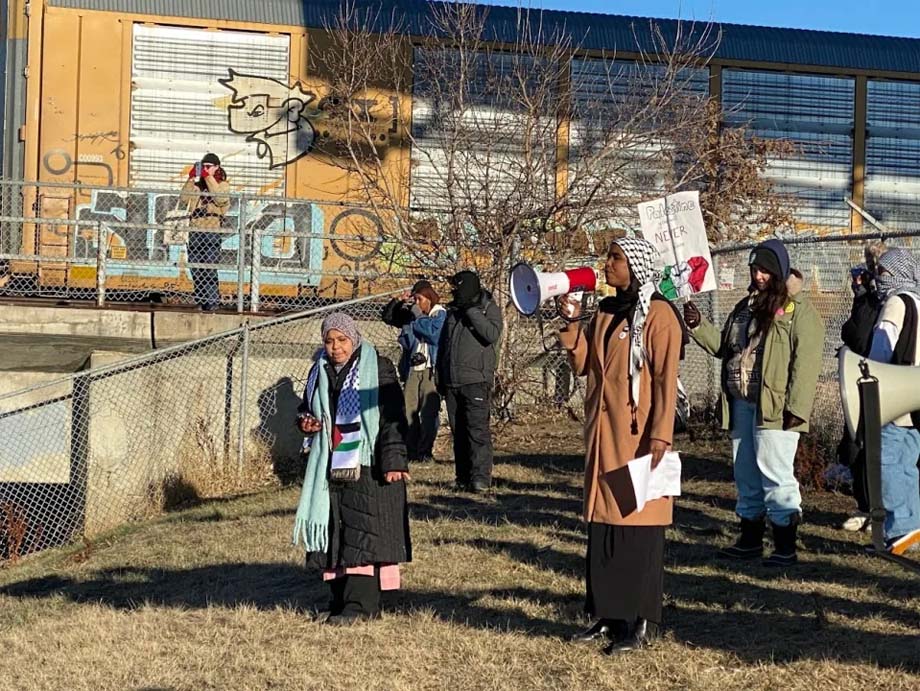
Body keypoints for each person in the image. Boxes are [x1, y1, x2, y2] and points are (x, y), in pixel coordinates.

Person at [559, 238, 682, 654]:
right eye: (609, 257)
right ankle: (608, 615)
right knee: (605, 526)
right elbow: (583, 365)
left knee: (638, 527)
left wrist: (660, 434)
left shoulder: (658, 315)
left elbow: (665, 378)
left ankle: (640, 622)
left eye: (616, 258)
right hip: (603, 434)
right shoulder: (605, 313)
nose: (607, 265)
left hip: (638, 436)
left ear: (637, 266)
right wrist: (573, 324)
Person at [684, 239, 825, 567]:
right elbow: (724, 347)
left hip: (777, 409)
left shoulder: (799, 313)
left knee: (775, 472)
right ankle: (749, 540)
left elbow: (806, 365)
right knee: (746, 472)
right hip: (742, 405)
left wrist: (797, 408)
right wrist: (697, 325)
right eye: (754, 269)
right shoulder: (744, 307)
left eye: (765, 270)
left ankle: (785, 545)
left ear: (778, 271)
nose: (758, 275)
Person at [292, 312, 411, 624]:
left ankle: (361, 606)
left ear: (354, 339)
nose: (335, 347)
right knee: (338, 534)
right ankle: (340, 601)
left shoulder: (378, 367)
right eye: (329, 341)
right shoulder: (319, 371)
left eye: (341, 340)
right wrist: (306, 422)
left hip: (368, 465)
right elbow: (306, 408)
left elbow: (392, 416)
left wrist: (394, 461)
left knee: (362, 534)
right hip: (329, 466)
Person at [866, 247, 920, 555]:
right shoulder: (919, 301)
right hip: (916, 401)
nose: (878, 278)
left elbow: (881, 349)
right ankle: (912, 527)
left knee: (885, 460)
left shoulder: (896, 304)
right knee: (908, 462)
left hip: (894, 397)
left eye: (884, 272)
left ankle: (900, 529)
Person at [436, 270, 503, 492]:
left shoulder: (487, 307)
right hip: (452, 381)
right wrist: (440, 375)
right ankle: (463, 476)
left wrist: (471, 310)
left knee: (477, 430)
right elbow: (444, 345)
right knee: (460, 432)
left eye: (458, 287)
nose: (454, 291)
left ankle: (481, 478)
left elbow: (491, 334)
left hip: (476, 380)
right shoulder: (452, 312)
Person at [837, 243, 884, 531]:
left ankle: (880, 508)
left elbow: (862, 335)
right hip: (858, 379)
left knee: (879, 449)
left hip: (883, 381)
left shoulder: (892, 301)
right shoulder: (865, 301)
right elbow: (851, 332)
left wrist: (866, 297)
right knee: (856, 446)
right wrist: (860, 297)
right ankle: (864, 505)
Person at [381, 280, 447, 463]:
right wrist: (398, 302)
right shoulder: (413, 315)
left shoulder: (440, 315)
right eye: (415, 299)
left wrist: (417, 316)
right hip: (412, 369)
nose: (417, 304)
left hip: (430, 371)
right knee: (409, 410)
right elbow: (388, 318)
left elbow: (434, 335)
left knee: (428, 413)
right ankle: (412, 449)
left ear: (429, 298)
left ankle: (425, 451)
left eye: (420, 299)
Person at [179, 153, 230, 311]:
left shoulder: (223, 184)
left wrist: (208, 177)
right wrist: (191, 179)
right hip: (195, 230)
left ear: (217, 167)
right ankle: (201, 300)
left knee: (209, 267)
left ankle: (212, 302)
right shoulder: (197, 185)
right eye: (204, 166)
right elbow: (184, 199)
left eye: (209, 166)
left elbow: (220, 198)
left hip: (211, 231)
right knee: (196, 268)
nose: (206, 169)